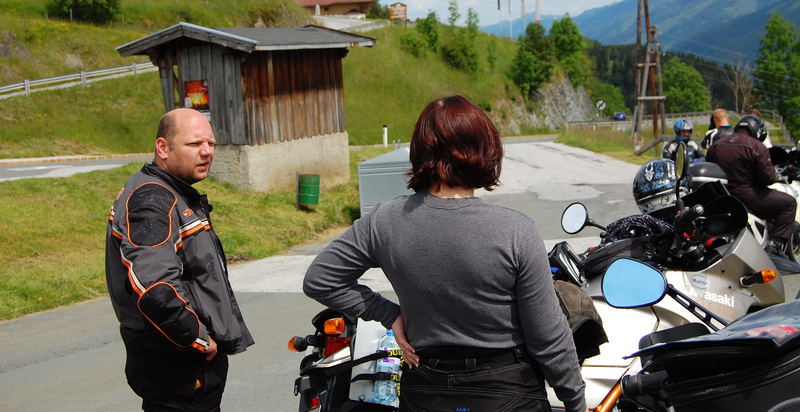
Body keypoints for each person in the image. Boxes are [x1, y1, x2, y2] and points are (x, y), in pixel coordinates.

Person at [303, 95, 587, 412]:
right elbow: (547, 336)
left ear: (419, 151)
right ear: (486, 150)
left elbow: (321, 279)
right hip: (507, 392)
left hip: (424, 389)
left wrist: (390, 315)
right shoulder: (516, 230)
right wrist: (574, 401)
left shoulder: (385, 221)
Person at [106, 108, 254, 411]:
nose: (207, 152)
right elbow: (154, 287)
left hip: (179, 357)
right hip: (175, 358)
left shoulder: (171, 191)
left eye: (211, 143)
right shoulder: (153, 199)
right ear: (163, 148)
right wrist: (196, 338)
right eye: (194, 144)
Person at [707, 114, 796, 255]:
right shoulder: (757, 146)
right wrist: (776, 176)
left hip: (721, 193)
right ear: (757, 130)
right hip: (748, 195)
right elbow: (768, 179)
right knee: (789, 203)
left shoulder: (716, 145)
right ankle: (775, 247)